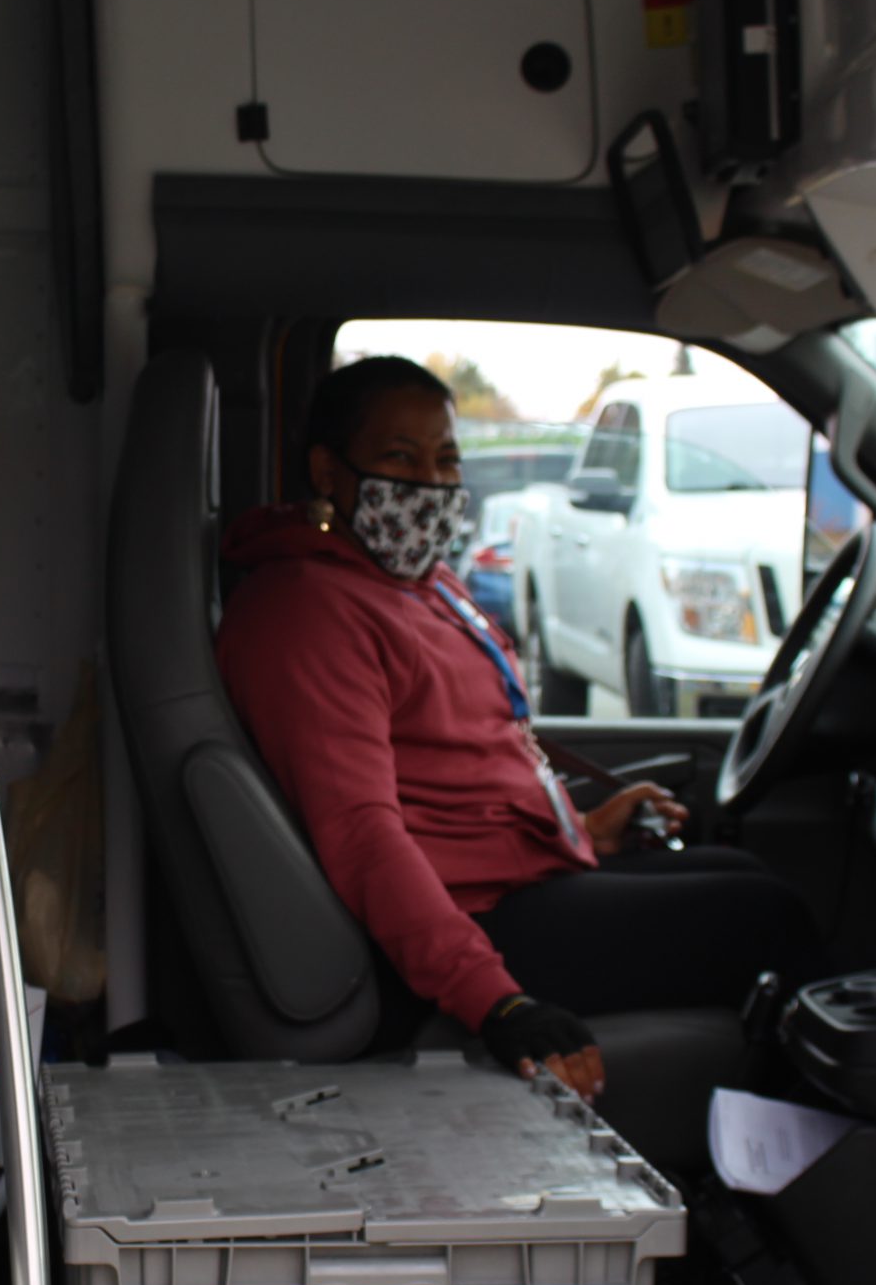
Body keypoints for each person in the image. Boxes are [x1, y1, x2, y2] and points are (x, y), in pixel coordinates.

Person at [216, 355, 829, 1103]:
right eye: (399, 457)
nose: (432, 486)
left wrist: (580, 829)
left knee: (747, 876)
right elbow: (361, 833)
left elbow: (462, 763)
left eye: (446, 459)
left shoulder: (412, 581)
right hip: (464, 922)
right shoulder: (310, 610)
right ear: (327, 469)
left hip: (505, 879)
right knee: (769, 919)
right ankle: (799, 1165)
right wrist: (496, 998)